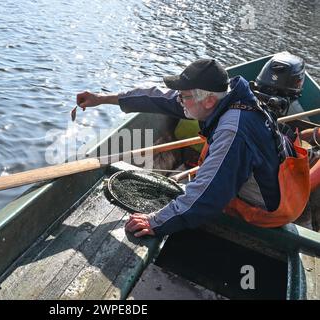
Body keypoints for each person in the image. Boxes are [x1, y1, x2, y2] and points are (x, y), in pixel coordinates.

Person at [77, 58, 310, 237]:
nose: (179, 100)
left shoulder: (233, 131)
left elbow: (207, 197)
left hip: (270, 209)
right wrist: (101, 98)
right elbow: (158, 97)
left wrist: (155, 222)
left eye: (185, 96)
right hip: (266, 175)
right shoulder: (223, 98)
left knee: (196, 195)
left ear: (208, 100)